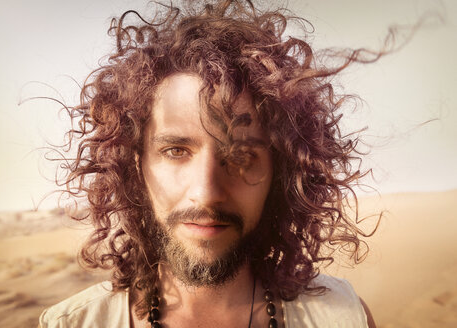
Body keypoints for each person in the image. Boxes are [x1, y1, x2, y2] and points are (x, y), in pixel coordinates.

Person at [38, 1, 379, 327]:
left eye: (242, 156)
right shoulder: (73, 323)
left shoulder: (343, 318)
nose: (206, 193)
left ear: (281, 172)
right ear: (136, 166)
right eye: (175, 151)